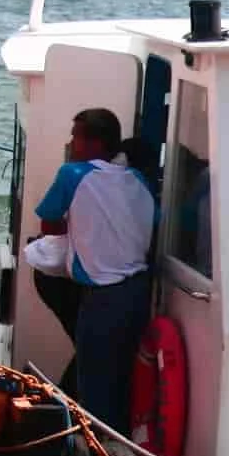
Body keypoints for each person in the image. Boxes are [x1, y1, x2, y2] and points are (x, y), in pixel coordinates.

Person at [33, 108, 156, 434]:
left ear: (95, 143)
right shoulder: (138, 178)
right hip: (139, 291)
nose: (72, 143)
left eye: (76, 136)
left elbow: (49, 224)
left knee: (95, 388)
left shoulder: (72, 175)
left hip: (103, 298)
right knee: (122, 377)